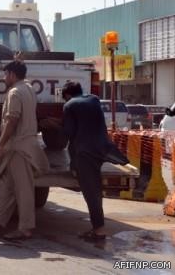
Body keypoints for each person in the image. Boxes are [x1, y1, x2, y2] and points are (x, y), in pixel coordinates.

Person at [0, 60, 48, 240]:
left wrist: (0, 145)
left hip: (18, 148)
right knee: (7, 189)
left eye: (5, 74)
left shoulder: (15, 92)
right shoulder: (29, 88)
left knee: (23, 189)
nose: (3, 77)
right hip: (21, 146)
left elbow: (12, 120)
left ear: (12, 75)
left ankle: (25, 228)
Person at [61, 81, 110, 241]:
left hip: (84, 153)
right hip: (100, 150)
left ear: (67, 95)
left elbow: (69, 133)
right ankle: (98, 227)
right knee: (95, 188)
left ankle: (99, 230)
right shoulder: (94, 99)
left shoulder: (69, 105)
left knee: (91, 191)